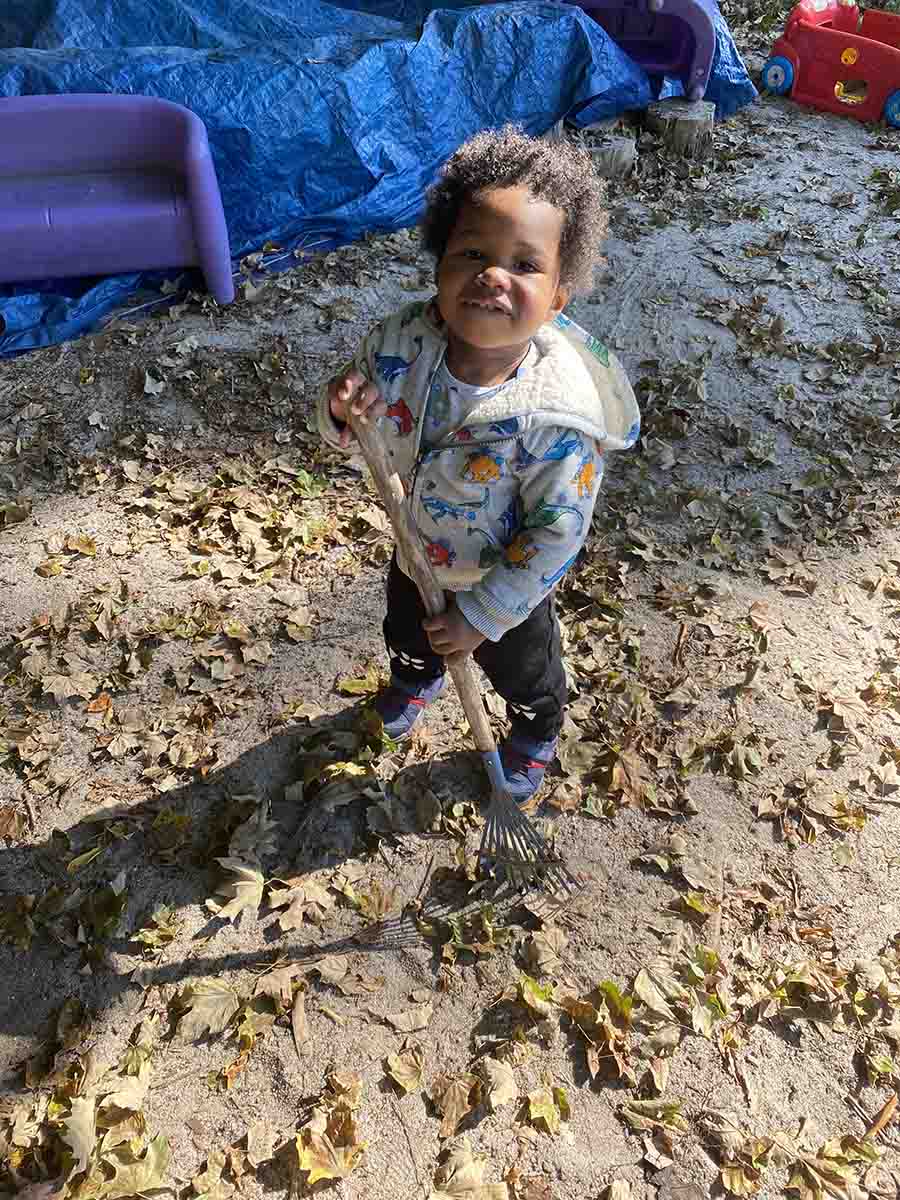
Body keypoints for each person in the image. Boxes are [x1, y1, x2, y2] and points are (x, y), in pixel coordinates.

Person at [319, 126, 639, 802]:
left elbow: (556, 533)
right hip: (418, 553)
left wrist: (483, 613)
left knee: (524, 673)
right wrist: (345, 407)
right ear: (439, 265)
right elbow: (356, 410)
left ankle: (534, 733)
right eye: (472, 252)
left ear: (557, 297)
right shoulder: (403, 341)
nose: (494, 274)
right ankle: (414, 680)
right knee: (408, 632)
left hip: (505, 589)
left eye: (525, 265)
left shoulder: (558, 420)